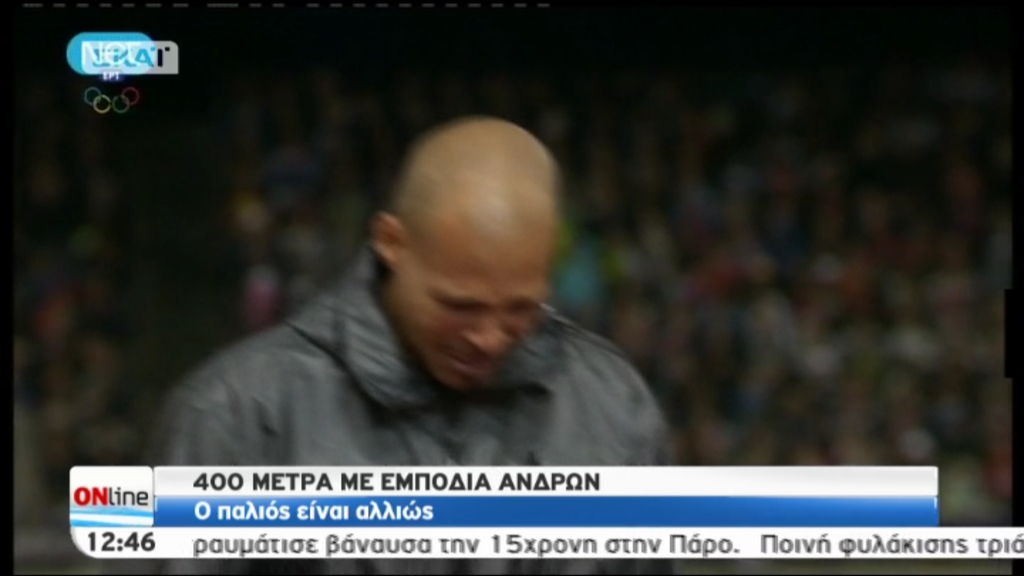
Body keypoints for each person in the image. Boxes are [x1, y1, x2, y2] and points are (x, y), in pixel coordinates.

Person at [132, 116, 674, 574]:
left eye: (520, 309)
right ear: (391, 243)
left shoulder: (611, 405)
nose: (489, 338)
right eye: (460, 306)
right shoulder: (237, 415)